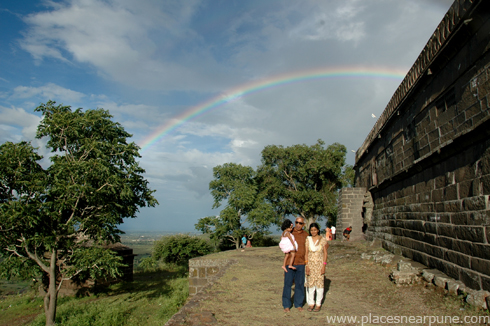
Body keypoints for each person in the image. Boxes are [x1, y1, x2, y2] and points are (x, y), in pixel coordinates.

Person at [282, 216, 308, 312]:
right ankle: (286, 305)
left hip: (301, 263)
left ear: (303, 224)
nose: (298, 225)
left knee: (300, 284)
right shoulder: (289, 232)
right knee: (287, 284)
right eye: (296, 222)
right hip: (290, 263)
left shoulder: (306, 234)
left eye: (300, 223)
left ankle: (298, 304)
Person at [305, 223, 329, 312]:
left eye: (315, 230)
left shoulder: (322, 240)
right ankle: (311, 303)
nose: (313, 232)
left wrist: (324, 265)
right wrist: (307, 265)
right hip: (310, 265)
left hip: (319, 265)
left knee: (319, 285)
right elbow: (306, 253)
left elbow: (325, 253)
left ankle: (318, 304)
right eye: (311, 230)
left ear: (318, 230)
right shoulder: (308, 239)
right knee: (310, 285)